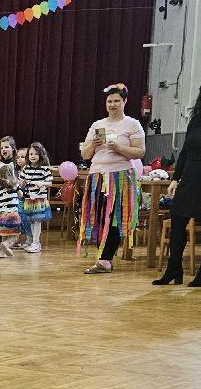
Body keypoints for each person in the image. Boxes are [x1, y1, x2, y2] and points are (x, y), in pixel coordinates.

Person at [79, 82, 146, 273]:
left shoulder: (132, 124)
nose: (113, 104)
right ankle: (103, 256)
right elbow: (85, 154)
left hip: (120, 177)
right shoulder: (97, 125)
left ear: (124, 102)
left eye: (117, 101)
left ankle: (105, 260)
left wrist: (119, 148)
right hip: (97, 176)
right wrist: (93, 144)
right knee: (98, 217)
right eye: (110, 101)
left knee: (116, 217)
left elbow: (140, 152)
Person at [153, 85, 201, 287]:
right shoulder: (196, 119)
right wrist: (175, 178)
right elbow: (184, 152)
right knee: (178, 221)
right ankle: (174, 269)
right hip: (190, 176)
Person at [20, 143, 53, 254]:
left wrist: (41, 183)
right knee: (31, 221)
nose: (33, 156)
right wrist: (22, 183)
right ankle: (34, 242)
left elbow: (50, 183)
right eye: (31, 154)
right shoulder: (26, 168)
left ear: (41, 155)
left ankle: (36, 242)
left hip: (39, 199)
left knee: (37, 221)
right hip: (29, 198)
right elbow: (21, 182)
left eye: (36, 154)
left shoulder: (44, 169)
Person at [0, 163, 22, 260]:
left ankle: (2, 253)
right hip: (12, 215)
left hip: (0, 215)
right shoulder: (15, 185)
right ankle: (6, 245)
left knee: (4, 234)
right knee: (15, 236)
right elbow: (20, 195)